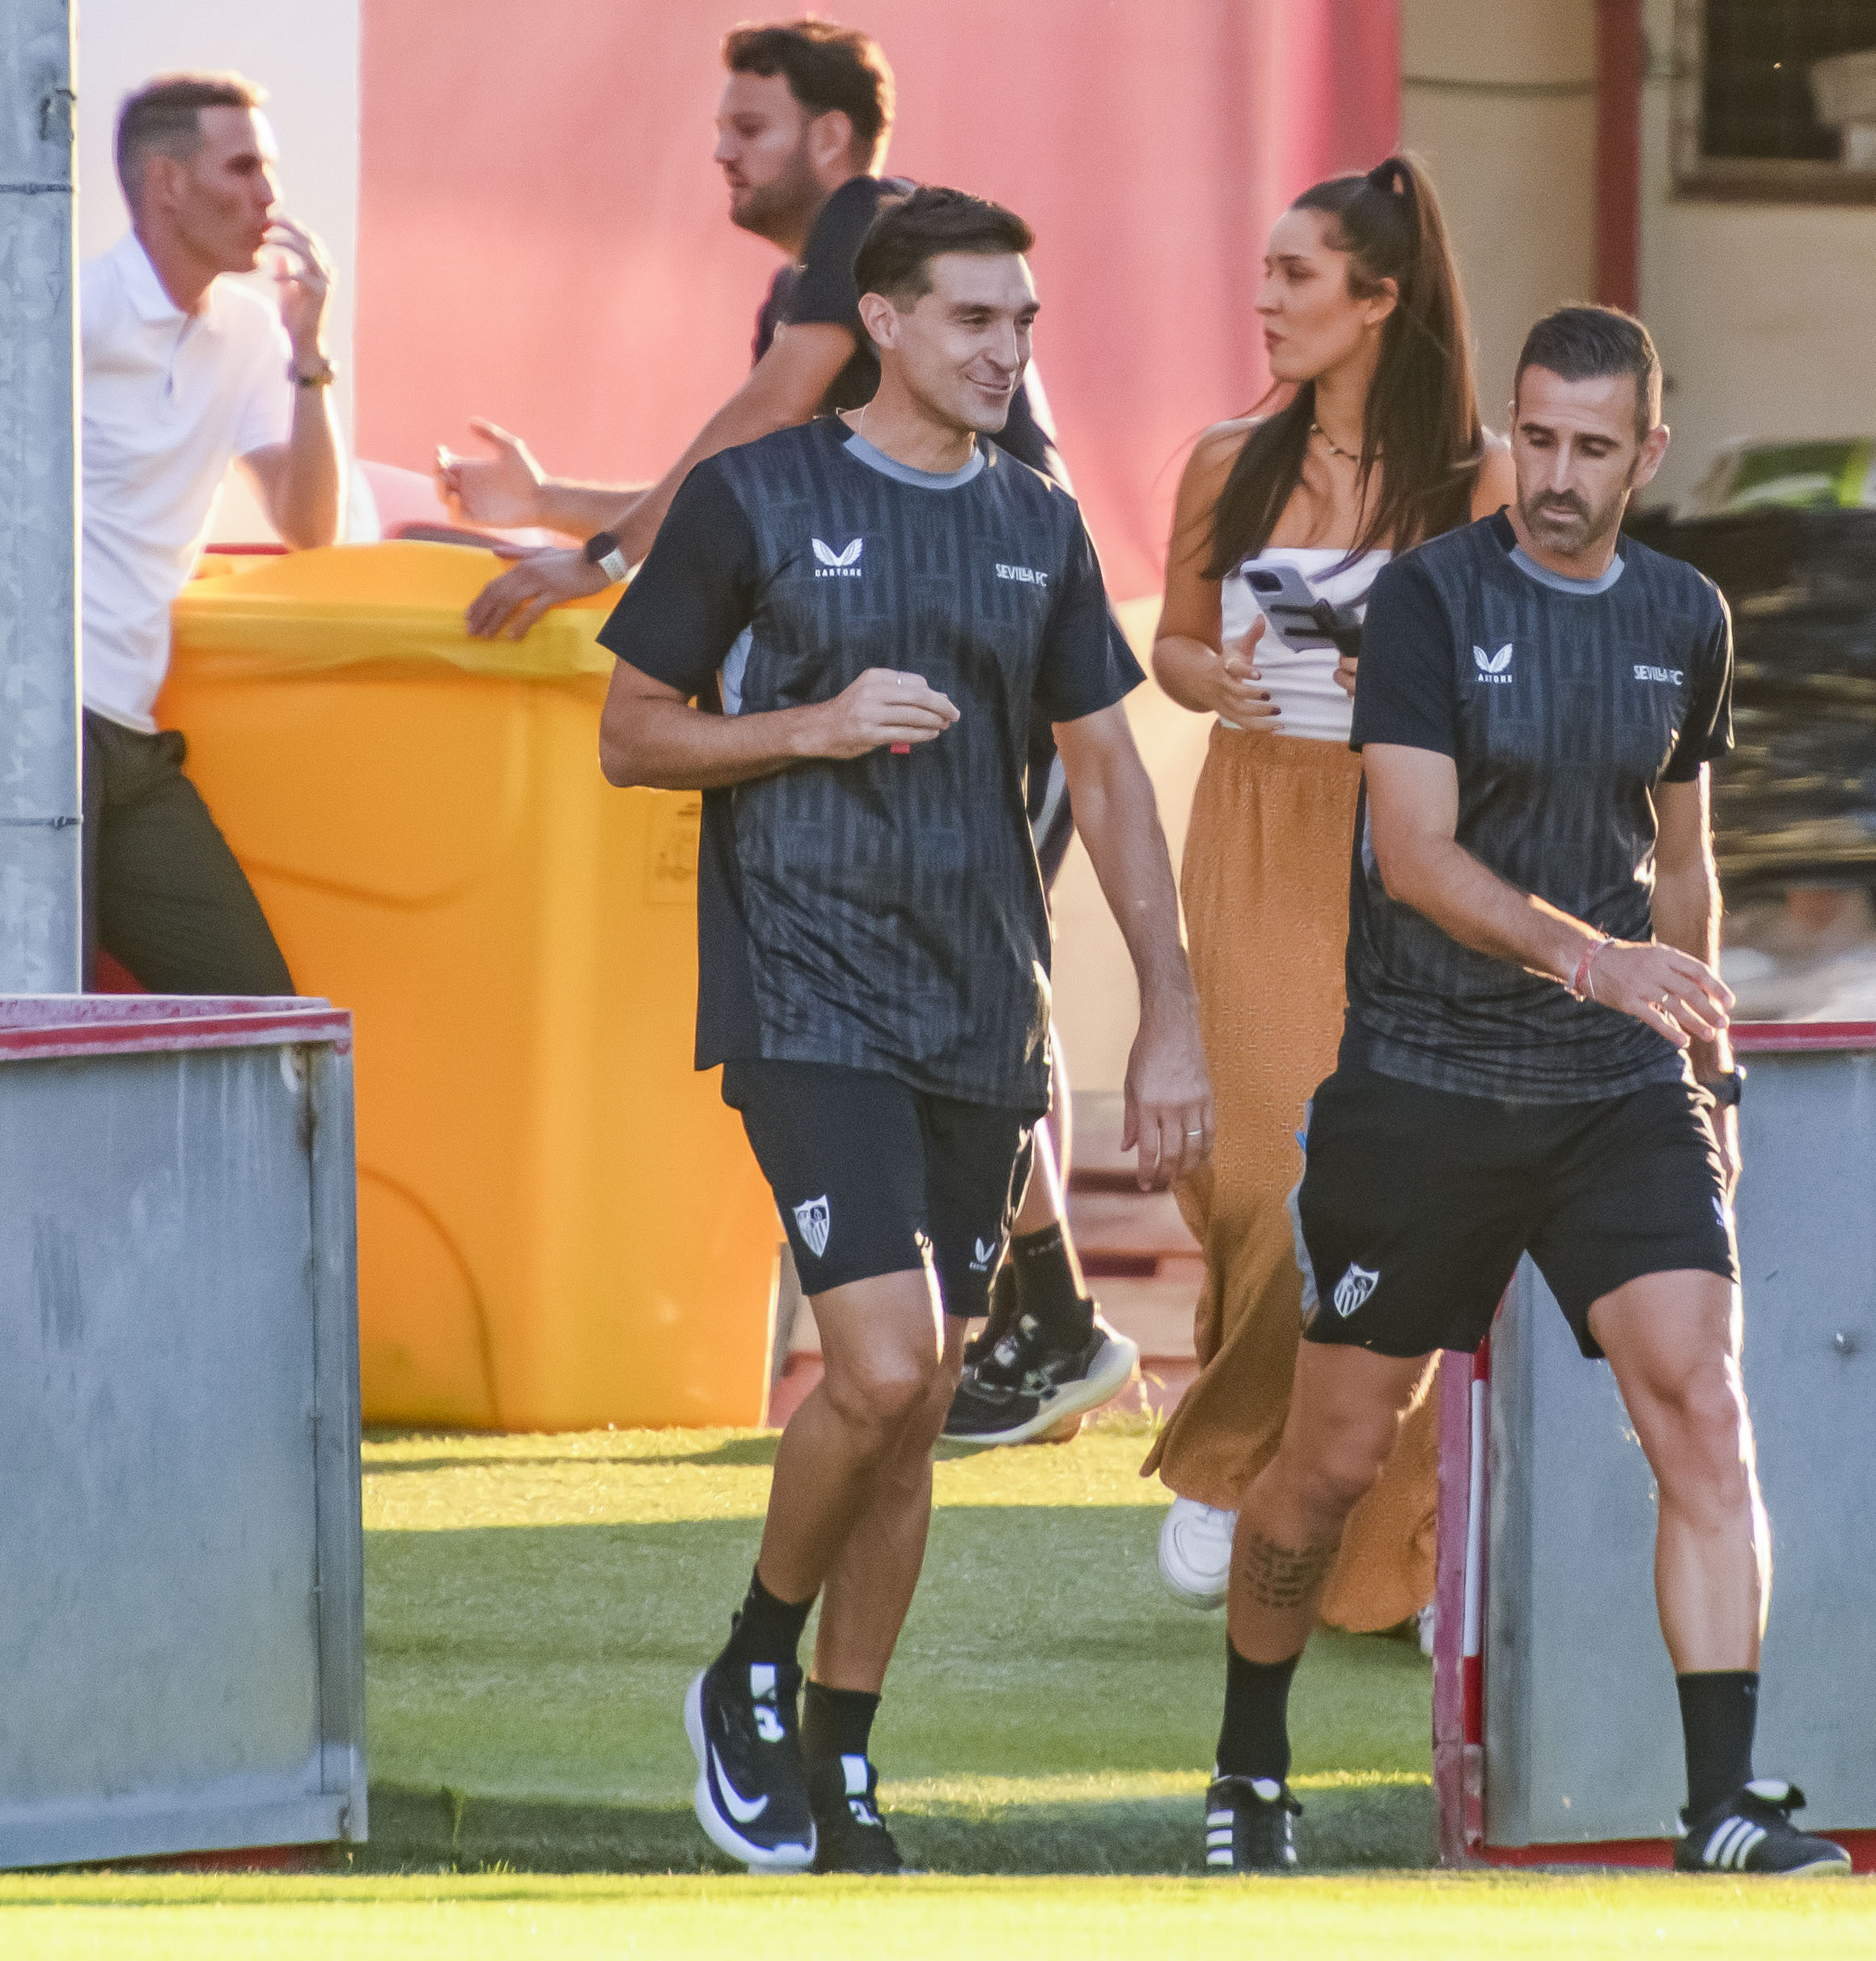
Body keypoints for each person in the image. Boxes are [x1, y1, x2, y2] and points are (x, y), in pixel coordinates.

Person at [593, 187, 1210, 1874]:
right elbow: (633, 737)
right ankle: (750, 1666)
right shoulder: (752, 498)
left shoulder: (1040, 524)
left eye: (1021, 321)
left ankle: (847, 1754)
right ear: (881, 324)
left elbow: (1107, 780)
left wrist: (1166, 1014)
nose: (1007, 351)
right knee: (876, 1358)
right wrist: (810, 726)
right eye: (970, 320)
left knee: (923, 1390)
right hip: (802, 996)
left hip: (977, 1013)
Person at [1198, 307, 1850, 1880]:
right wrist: (1596, 962)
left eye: (1589, 447)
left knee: (1699, 1404)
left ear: (1646, 453)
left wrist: (1710, 1075)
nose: (1553, 476)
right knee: (1329, 1464)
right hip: (1421, 1084)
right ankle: (1245, 1768)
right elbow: (1413, 859)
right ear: (1508, 430)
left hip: (1611, 1088)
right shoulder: (1430, 600)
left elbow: (1682, 870)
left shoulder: (1686, 614)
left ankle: (1718, 1807)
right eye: (1532, 438)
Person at [439, 19, 1129, 1444]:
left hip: (993, 674)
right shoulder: (826, 304)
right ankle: (1039, 1323)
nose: (720, 151)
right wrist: (561, 502)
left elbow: (757, 417)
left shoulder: (873, 229)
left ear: (830, 139)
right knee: (943, 986)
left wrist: (600, 555)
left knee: (982, 981)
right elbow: (757, 487)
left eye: (747, 125)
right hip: (902, 680)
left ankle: (1049, 1323)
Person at [1135, 156, 1512, 1633]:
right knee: (1254, 1179)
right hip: (1259, 821)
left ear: (1381, 300)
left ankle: (1402, 1547)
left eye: (1297, 276)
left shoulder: (1475, 479)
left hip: (1410, 839)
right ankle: (1234, 1462)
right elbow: (1168, 644)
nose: (1266, 300)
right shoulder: (1227, 460)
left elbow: (1509, 677)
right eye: (1267, 272)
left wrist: (1406, 687)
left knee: (1391, 1185)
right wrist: (1208, 675)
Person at [0, 71, 341, 993]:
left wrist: (311, 360)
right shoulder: (69, 304)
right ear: (166, 182)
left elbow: (309, 525)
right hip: (5, 715)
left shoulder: (255, 336)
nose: (270, 197)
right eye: (245, 168)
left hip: (127, 739)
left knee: (254, 1004)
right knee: (44, 1008)